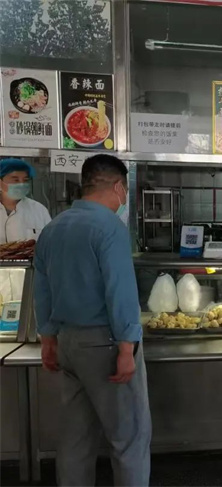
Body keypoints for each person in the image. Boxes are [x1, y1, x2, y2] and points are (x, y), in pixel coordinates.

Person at [34, 154, 151, 486]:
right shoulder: (110, 228)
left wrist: (48, 340)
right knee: (128, 438)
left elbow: (42, 289)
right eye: (124, 189)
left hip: (68, 343)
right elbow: (120, 291)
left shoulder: (53, 228)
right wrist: (127, 347)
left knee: (75, 437)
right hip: (106, 345)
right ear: (118, 187)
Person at [0, 158, 51, 243]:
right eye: (15, 180)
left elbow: (49, 242)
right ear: (1, 182)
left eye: (25, 180)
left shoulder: (39, 210)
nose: (21, 184)